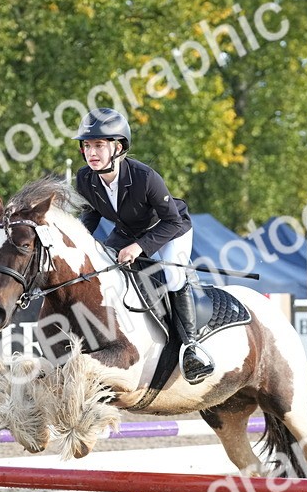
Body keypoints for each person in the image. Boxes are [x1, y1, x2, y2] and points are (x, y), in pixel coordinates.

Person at [72, 107, 214, 384]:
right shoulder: (85, 178)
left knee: (173, 278)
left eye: (99, 145)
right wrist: (79, 241)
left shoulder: (144, 177)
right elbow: (91, 213)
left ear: (118, 147)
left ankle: (191, 347)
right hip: (129, 231)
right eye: (87, 145)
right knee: (104, 269)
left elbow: (171, 220)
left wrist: (139, 247)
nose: (91, 152)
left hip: (170, 229)